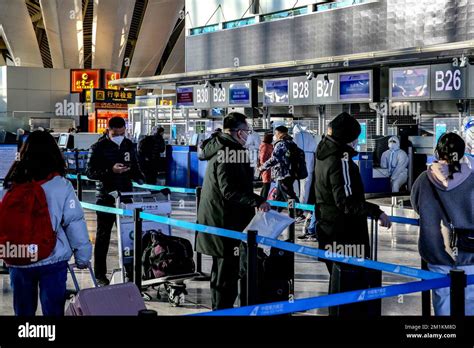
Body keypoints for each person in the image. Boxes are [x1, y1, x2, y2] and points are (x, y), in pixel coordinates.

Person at [1, 131, 92, 316]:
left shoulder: (9, 186)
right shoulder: (61, 185)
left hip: (18, 257)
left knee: (23, 312)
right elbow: (74, 223)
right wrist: (83, 257)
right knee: (53, 311)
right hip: (51, 258)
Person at [314, 112, 391, 314]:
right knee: (351, 286)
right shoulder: (340, 159)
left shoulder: (322, 154)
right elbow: (346, 202)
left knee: (339, 283)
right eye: (355, 137)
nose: (357, 141)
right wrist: (376, 211)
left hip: (329, 228)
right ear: (347, 137)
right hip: (346, 233)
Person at [195, 112, 270, 310]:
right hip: (224, 220)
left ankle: (221, 309)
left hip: (221, 219)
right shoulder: (229, 150)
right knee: (225, 274)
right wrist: (256, 200)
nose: (248, 135)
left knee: (223, 272)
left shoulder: (222, 146)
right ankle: (221, 311)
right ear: (238, 133)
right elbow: (228, 190)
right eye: (247, 131)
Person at [411, 133, 474, 315]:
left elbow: (417, 206)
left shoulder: (424, 179)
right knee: (470, 302)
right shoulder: (472, 179)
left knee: (442, 303)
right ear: (463, 153)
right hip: (469, 253)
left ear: (437, 152)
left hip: (437, 252)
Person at [86, 116, 144, 286]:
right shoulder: (98, 147)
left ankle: (130, 271)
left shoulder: (128, 145)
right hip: (106, 197)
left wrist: (139, 177)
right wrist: (110, 170)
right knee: (103, 236)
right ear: (108, 130)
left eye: (122, 132)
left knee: (128, 236)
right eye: (115, 133)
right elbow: (90, 172)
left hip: (126, 195)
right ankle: (100, 274)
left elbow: (136, 167)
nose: (119, 135)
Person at [259, 126, 303, 221]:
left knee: (289, 195)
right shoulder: (291, 142)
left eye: (276, 133)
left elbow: (275, 159)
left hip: (283, 174)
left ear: (280, 133)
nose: (275, 136)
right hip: (290, 173)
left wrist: (262, 167)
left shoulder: (281, 143)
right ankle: (274, 212)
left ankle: (298, 213)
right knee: (279, 195)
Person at [292, 124, 317, 204]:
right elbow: (315, 148)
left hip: (298, 160)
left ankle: (296, 203)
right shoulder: (309, 135)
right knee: (306, 184)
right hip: (309, 159)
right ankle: (304, 203)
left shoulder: (296, 135)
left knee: (295, 183)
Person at [259, 132, 274, 199]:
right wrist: (264, 167)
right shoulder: (265, 146)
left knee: (266, 185)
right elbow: (262, 158)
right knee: (266, 185)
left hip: (268, 168)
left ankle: (261, 199)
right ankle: (263, 200)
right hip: (266, 168)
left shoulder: (269, 145)